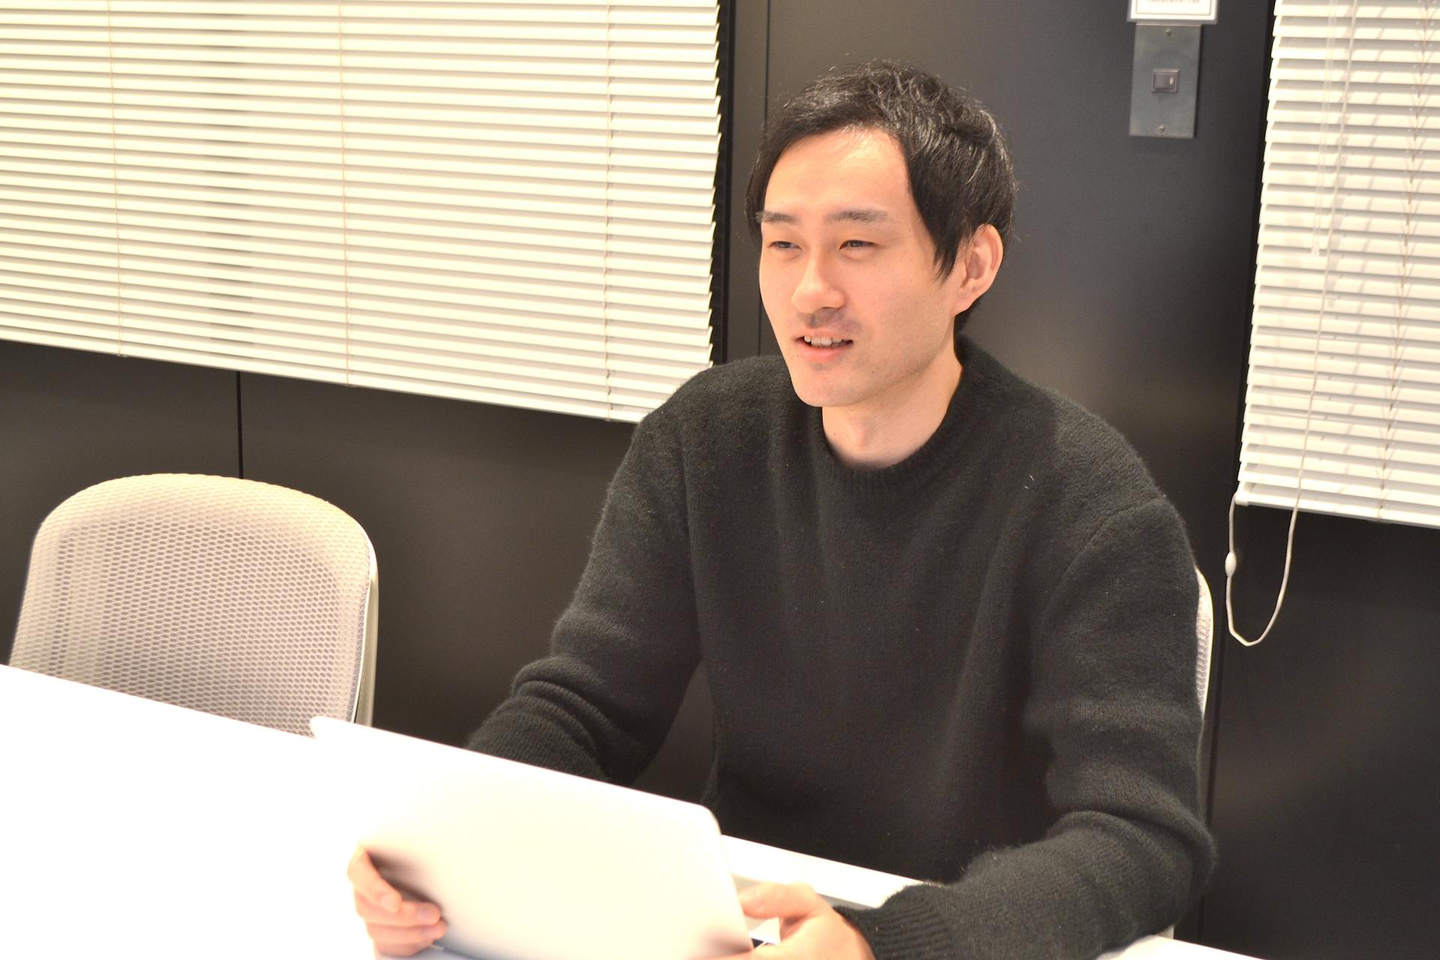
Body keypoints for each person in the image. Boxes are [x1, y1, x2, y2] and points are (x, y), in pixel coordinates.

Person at [348, 61, 1217, 960]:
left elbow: (1139, 837)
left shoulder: (1093, 509)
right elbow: (585, 704)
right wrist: (448, 847)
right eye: (784, 244)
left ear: (970, 266)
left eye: (858, 244)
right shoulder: (707, 438)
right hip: (742, 923)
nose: (810, 291)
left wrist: (883, 947)